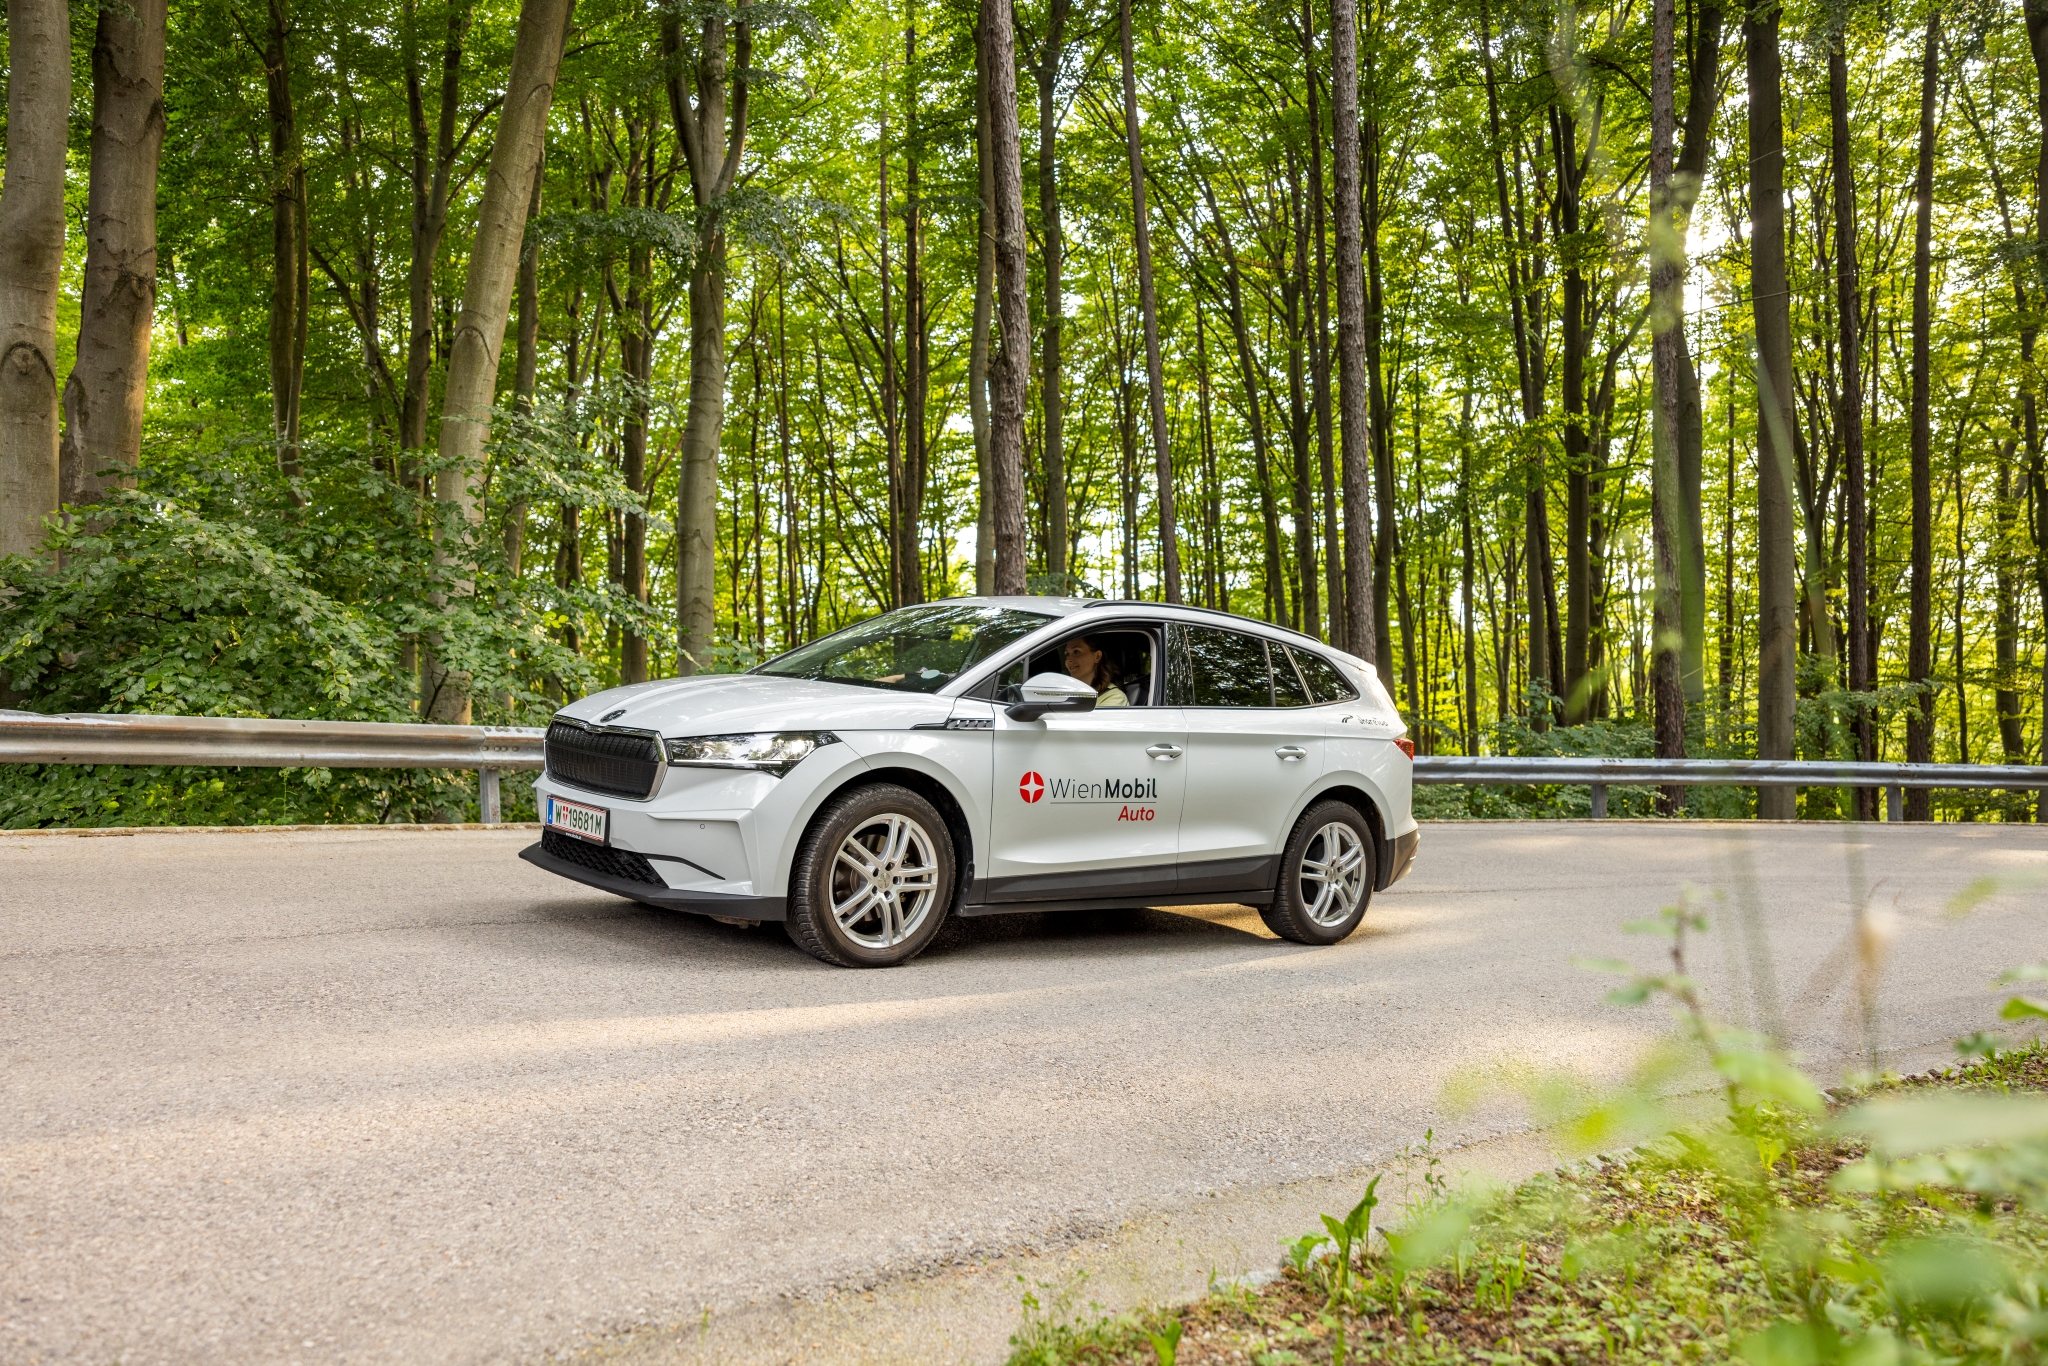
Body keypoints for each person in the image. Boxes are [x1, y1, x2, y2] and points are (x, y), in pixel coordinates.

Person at [1062, 636, 1129, 707]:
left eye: (1076, 652)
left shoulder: (1115, 697)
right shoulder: (1069, 693)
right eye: (1067, 654)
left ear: (1097, 656)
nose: (1068, 660)